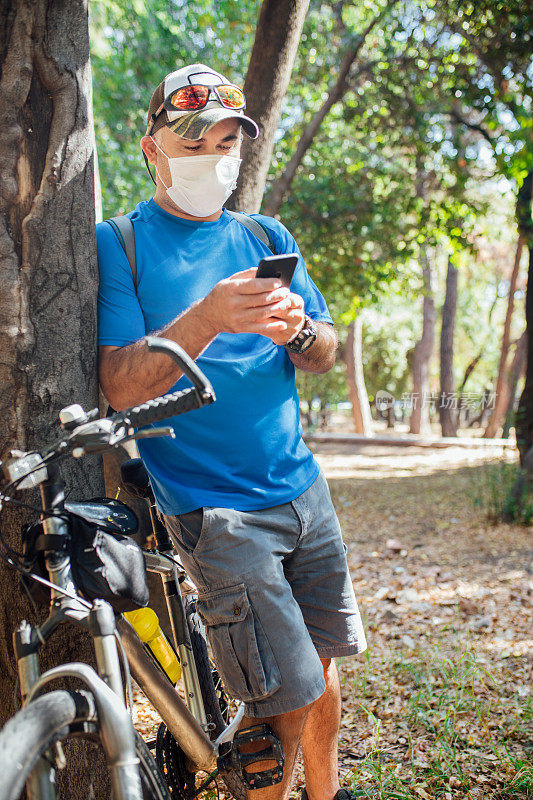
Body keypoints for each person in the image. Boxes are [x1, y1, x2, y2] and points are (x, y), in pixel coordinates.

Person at [96, 63, 367, 800]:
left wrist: (300, 329)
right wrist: (211, 317)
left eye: (225, 143)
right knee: (285, 693)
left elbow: (324, 351)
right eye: (193, 144)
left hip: (302, 487)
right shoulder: (117, 244)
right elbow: (119, 384)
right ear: (151, 148)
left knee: (321, 666)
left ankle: (327, 793)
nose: (213, 159)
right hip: (217, 511)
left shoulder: (264, 232)